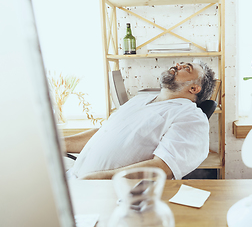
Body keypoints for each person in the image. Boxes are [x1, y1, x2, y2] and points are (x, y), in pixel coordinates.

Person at [65, 60, 216, 180]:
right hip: (72, 180)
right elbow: (105, 133)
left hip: (104, 192)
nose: (178, 65)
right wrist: (60, 144)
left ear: (194, 89)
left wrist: (99, 179)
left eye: (187, 68)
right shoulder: (139, 99)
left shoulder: (191, 117)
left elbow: (163, 168)